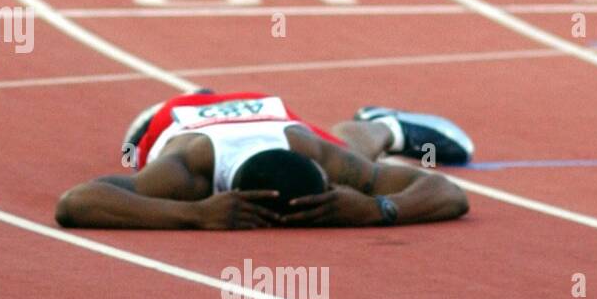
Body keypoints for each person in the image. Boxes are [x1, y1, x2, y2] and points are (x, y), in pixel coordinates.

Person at [55, 90, 470, 230]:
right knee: (136, 151)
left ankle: (385, 126)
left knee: (355, 152)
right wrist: (196, 215)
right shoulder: (188, 172)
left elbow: (450, 193)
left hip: (275, 121)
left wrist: (377, 208)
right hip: (180, 114)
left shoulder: (313, 155)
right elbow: (75, 203)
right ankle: (191, 96)